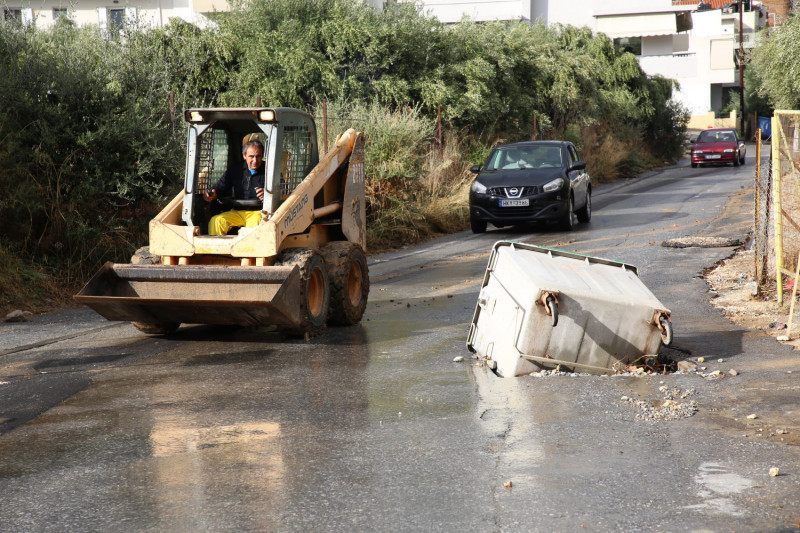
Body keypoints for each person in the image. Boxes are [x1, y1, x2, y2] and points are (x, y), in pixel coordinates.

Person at [203, 139, 266, 235]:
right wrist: (211, 194)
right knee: (216, 221)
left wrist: (268, 193)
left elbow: (282, 191)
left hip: (258, 212)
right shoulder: (235, 170)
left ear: (262, 156)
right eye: (251, 156)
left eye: (258, 156)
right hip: (237, 211)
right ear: (244, 155)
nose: (255, 160)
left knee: (254, 226)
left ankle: (248, 250)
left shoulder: (270, 170)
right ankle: (216, 250)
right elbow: (220, 188)